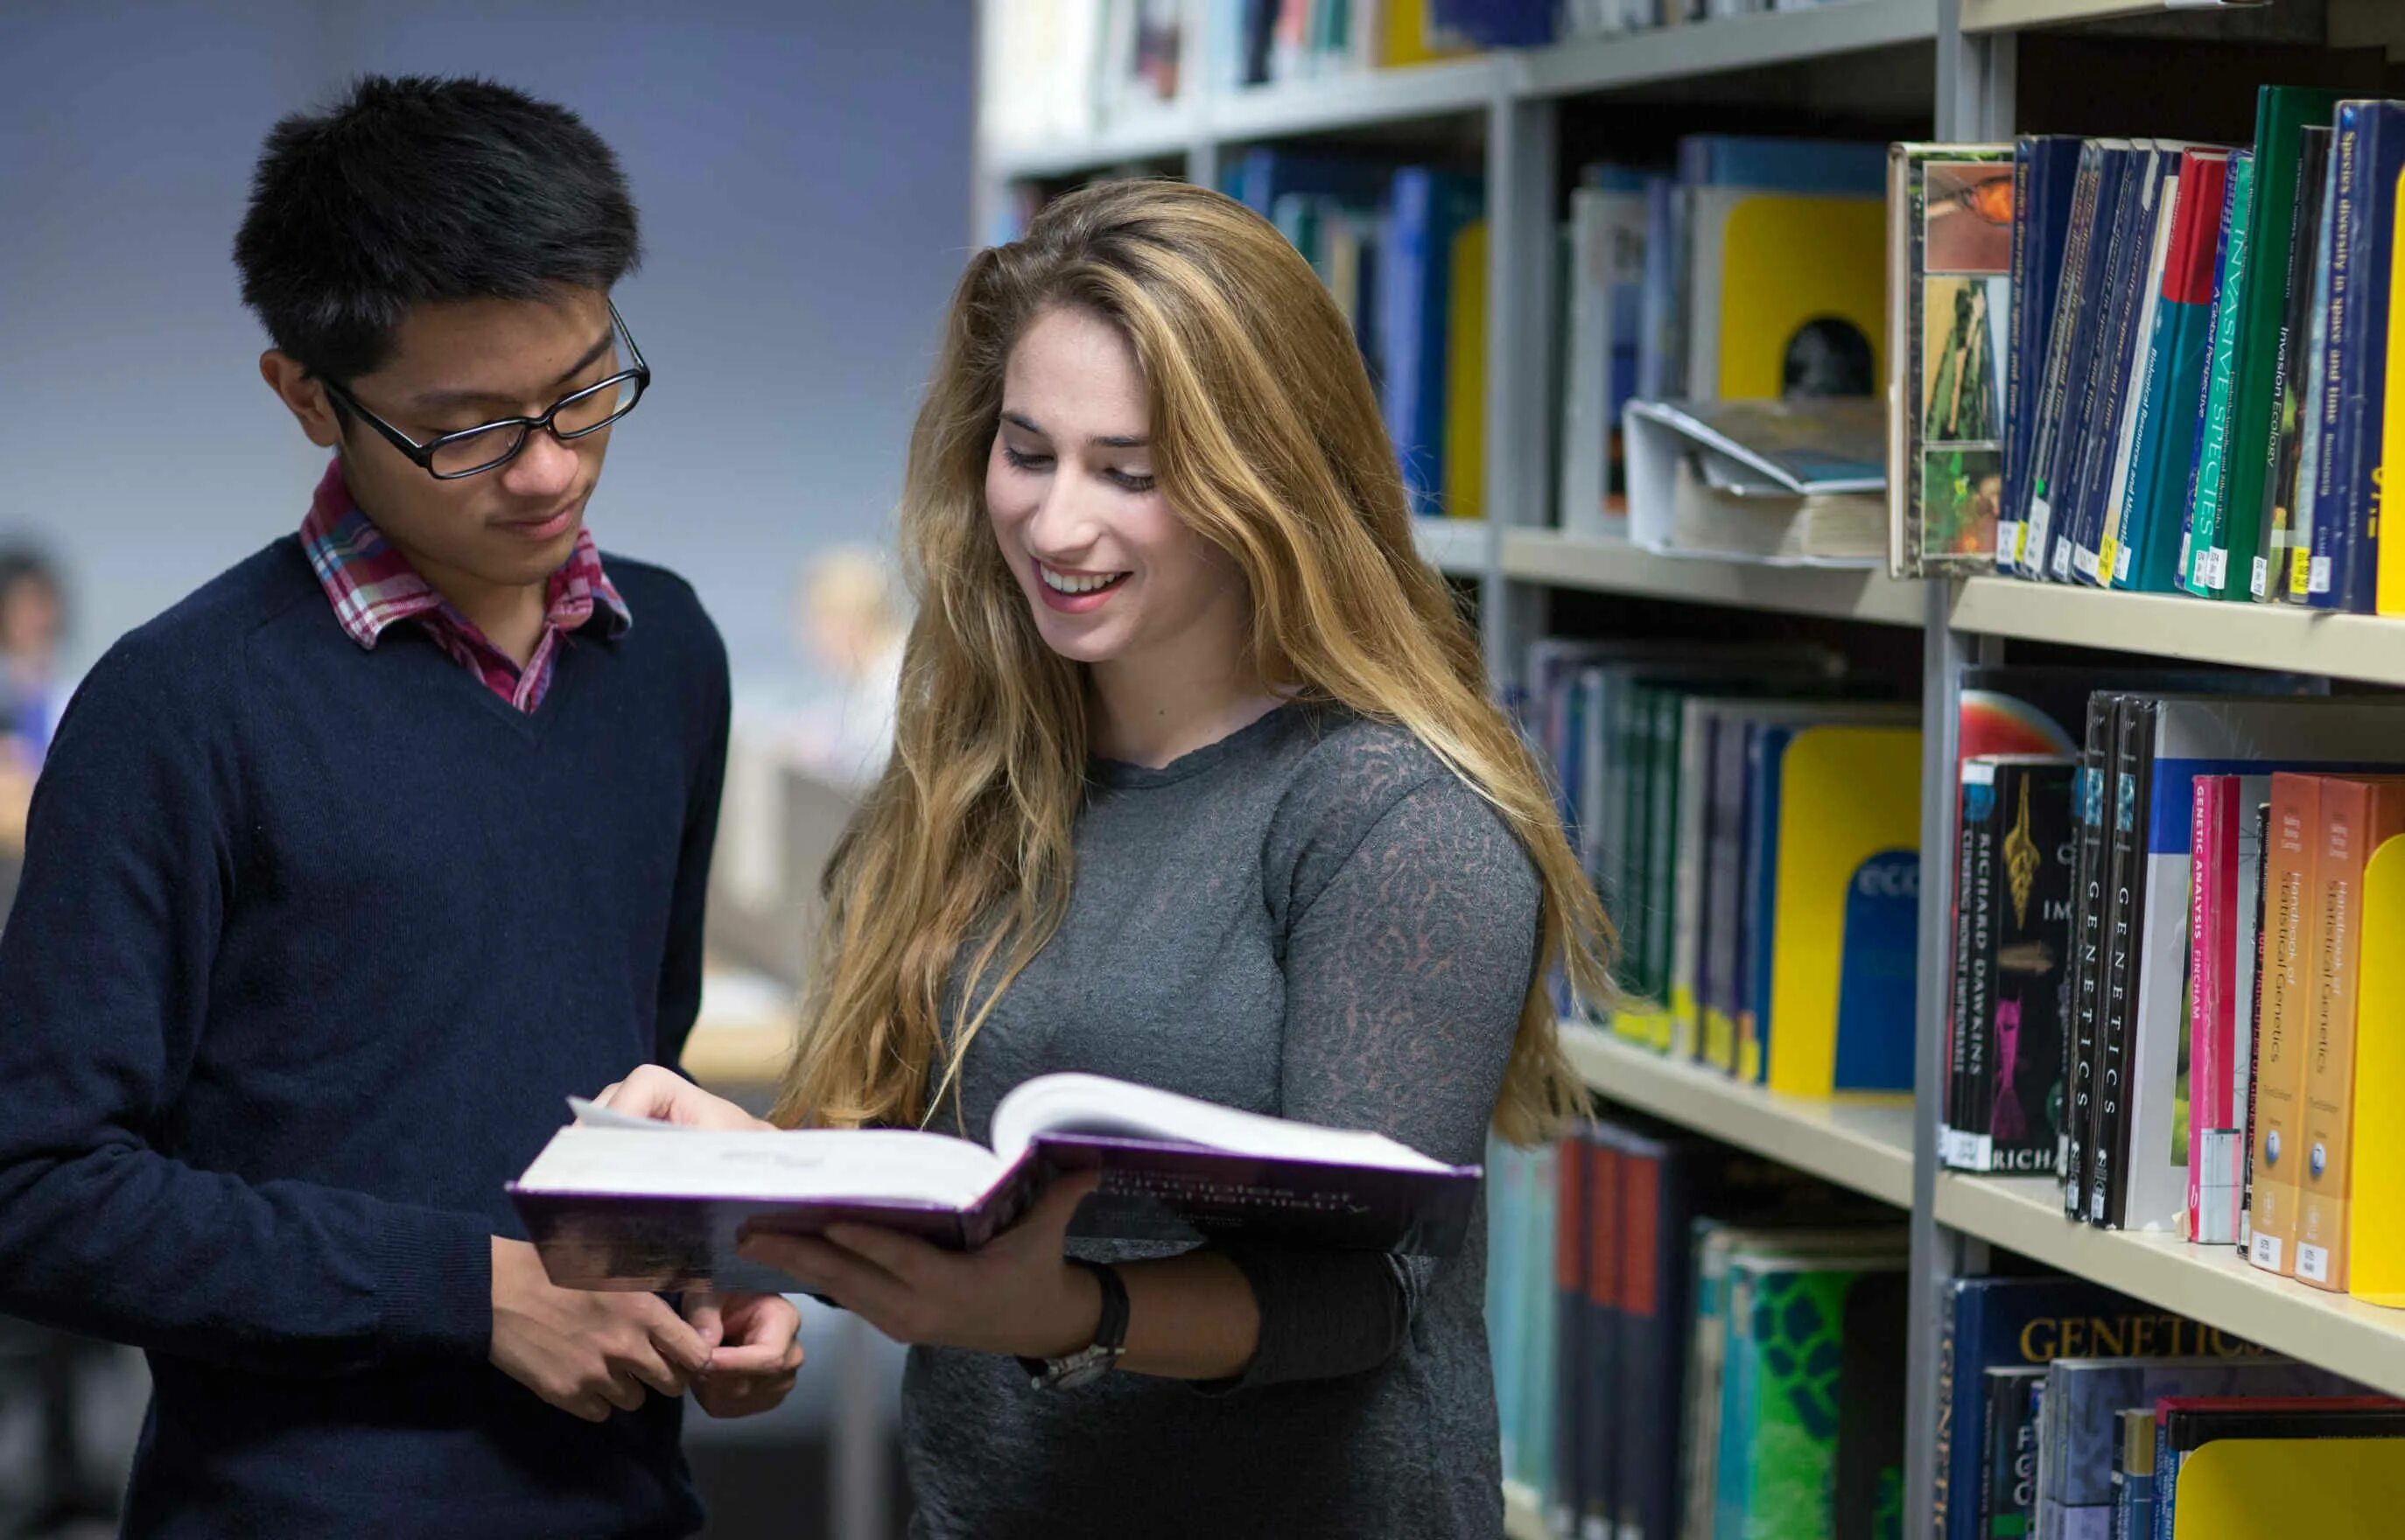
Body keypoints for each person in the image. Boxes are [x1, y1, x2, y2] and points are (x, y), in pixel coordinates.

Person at [601, 178, 1617, 1539]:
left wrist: (1075, 1314)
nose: (1057, 525)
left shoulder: (1391, 812)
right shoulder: (981, 765)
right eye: (1029, 452)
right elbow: (955, 1207)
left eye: (1131, 474)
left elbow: (1366, 1299)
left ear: (1265, 483)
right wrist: (757, 1183)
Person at [0, 76, 797, 1538]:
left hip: (627, 1497)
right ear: (308, 392)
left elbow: (629, 1077)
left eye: (581, 391)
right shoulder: (179, 707)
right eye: (468, 428)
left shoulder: (666, 652)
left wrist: (708, 1256)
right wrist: (474, 1294)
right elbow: (37, 1192)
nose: (551, 466)